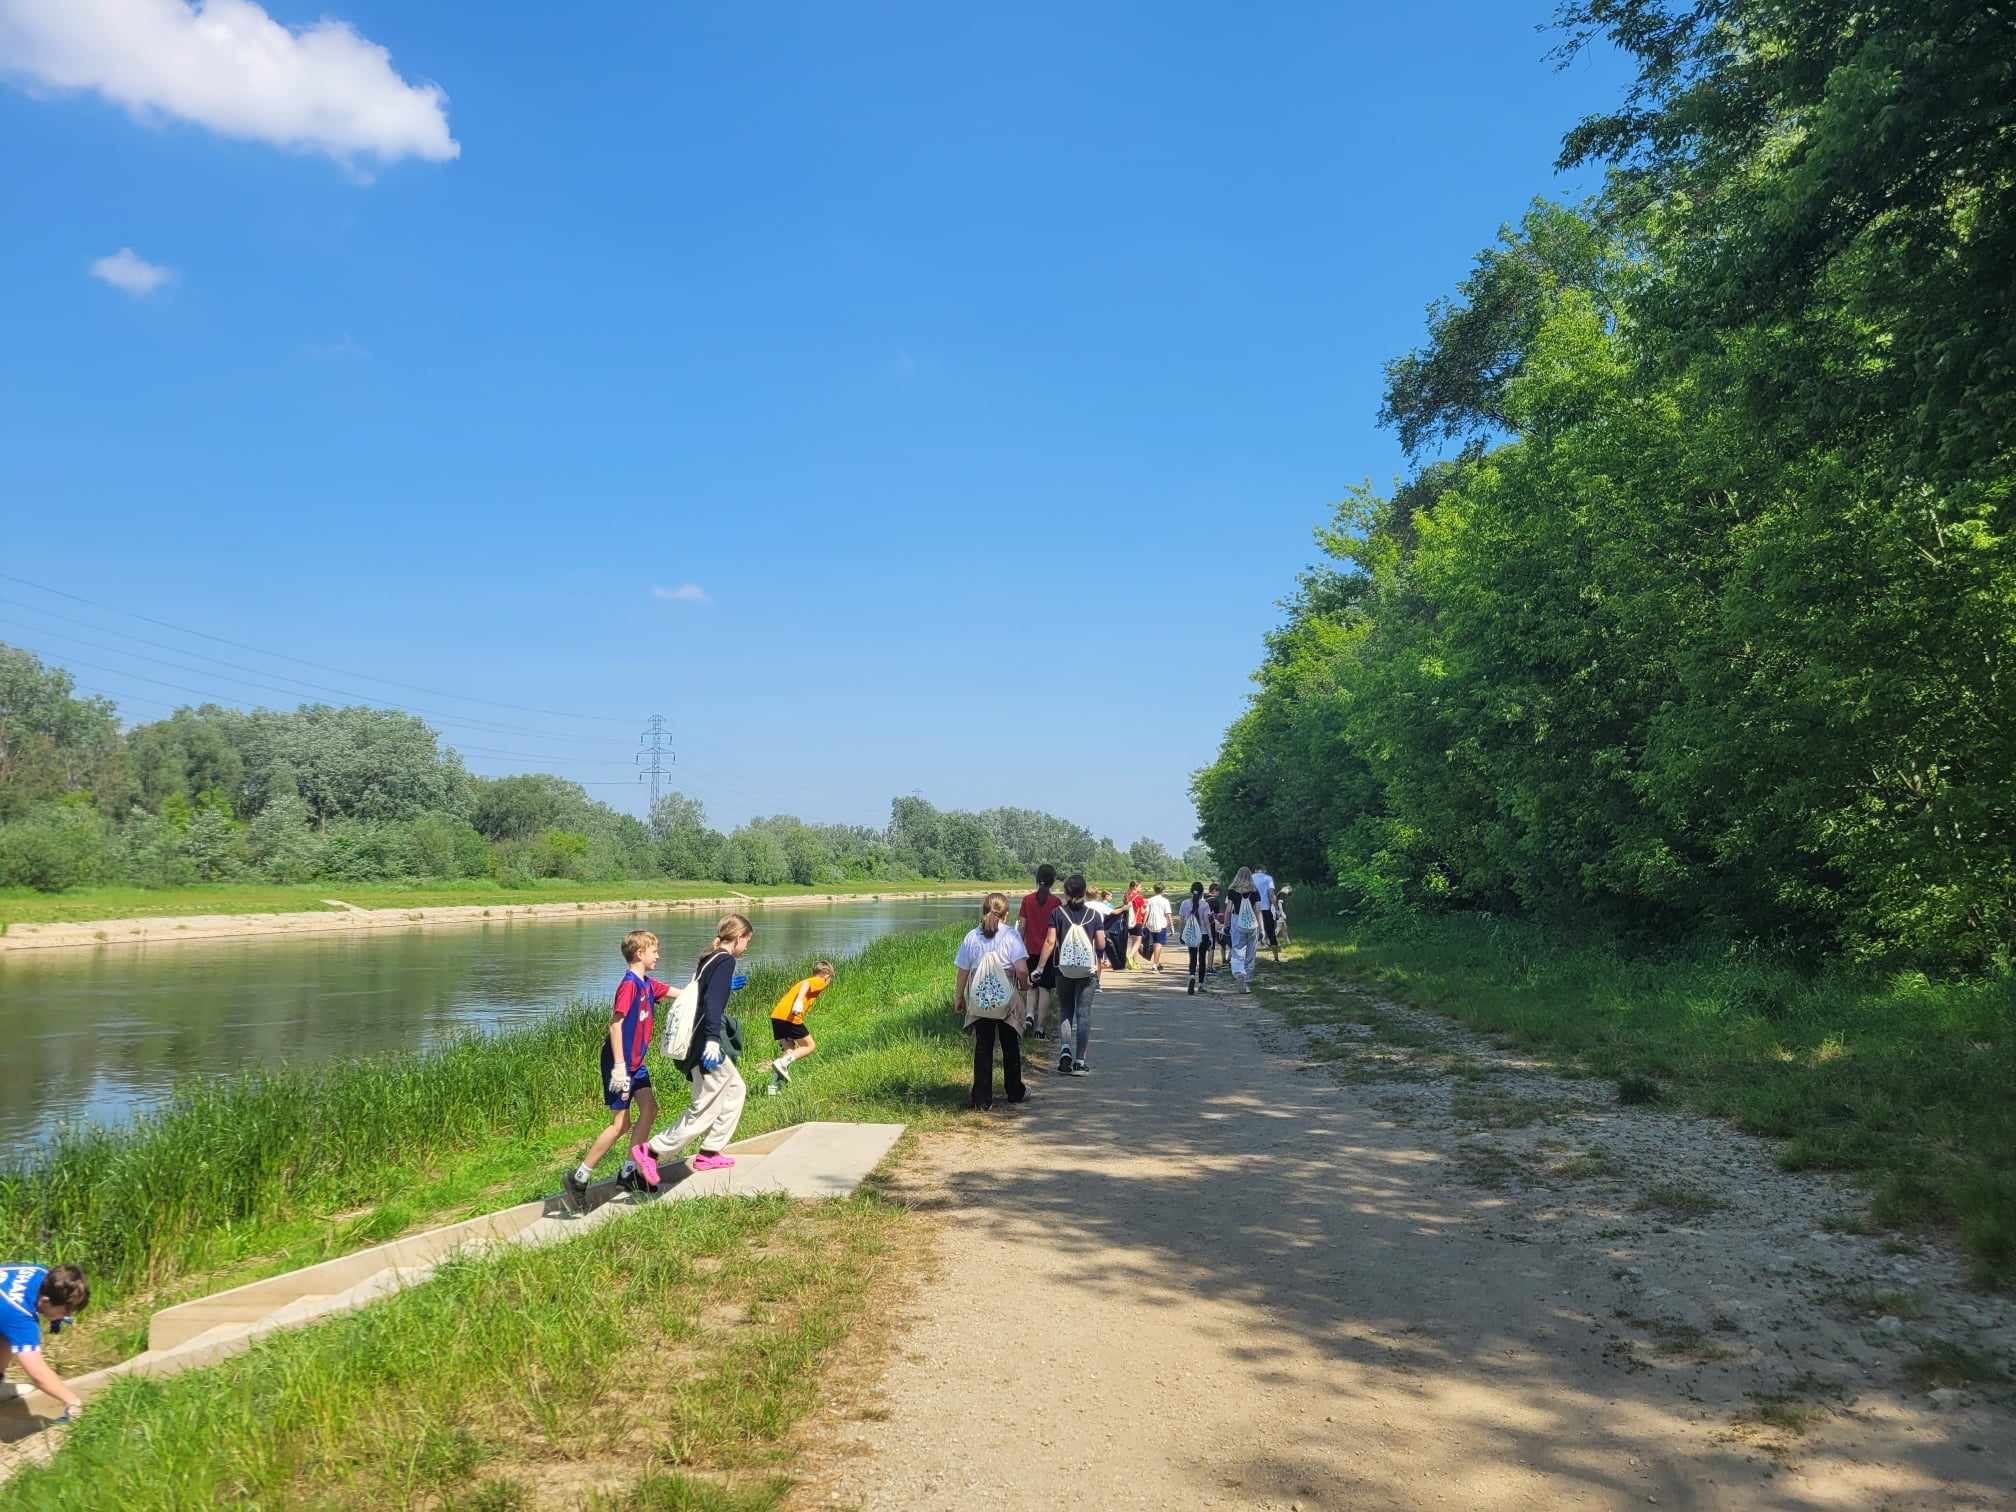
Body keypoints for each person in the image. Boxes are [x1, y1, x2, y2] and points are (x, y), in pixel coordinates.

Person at [566, 930, 672, 1208]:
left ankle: (627, 1172)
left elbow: (679, 993)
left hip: (637, 1065)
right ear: (639, 953)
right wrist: (620, 1067)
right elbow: (615, 1024)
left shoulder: (648, 985)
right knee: (620, 1124)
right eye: (654, 950)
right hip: (620, 1064)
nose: (658, 955)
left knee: (650, 1109)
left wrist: (711, 984)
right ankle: (580, 1176)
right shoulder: (629, 985)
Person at [646, 914, 754, 1176]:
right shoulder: (726, 960)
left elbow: (704, 992)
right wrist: (714, 1041)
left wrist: (726, 985)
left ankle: (709, 1153)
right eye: (747, 941)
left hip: (697, 1040)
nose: (747, 947)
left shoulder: (710, 957)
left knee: (736, 1088)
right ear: (738, 937)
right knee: (706, 1105)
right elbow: (712, 1004)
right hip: (704, 1043)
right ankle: (652, 1151)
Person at [954, 893, 1032, 1109]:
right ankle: (1015, 1091)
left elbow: (962, 971)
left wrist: (959, 997)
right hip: (1006, 998)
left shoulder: (972, 937)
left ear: (983, 911)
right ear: (1006, 915)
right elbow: (1022, 969)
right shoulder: (1011, 936)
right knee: (1010, 1044)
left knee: (983, 1046)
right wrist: (1024, 986)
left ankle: (981, 1098)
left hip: (980, 1000)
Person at [1031, 873, 1104, 1076]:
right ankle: (1080, 1062)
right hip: (1087, 972)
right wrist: (1100, 961)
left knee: (1066, 1011)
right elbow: (1100, 943)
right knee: (1083, 1014)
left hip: (1062, 970)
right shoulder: (1094, 916)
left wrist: (1039, 967)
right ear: (1084, 891)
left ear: (1065, 892)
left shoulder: (1057, 913)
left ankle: (1064, 1050)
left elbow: (1050, 942)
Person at [0, 1262, 89, 1422]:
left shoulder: (41, 1273)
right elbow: (37, 1374)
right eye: (64, 1312)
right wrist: (72, 1402)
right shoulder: (19, 1316)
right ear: (46, 1301)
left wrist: (56, 1319)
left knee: (7, 1333)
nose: (65, 1317)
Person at [767, 959, 835, 1095]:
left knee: (789, 1052)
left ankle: (773, 1089)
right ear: (826, 974)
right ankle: (781, 1064)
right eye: (830, 978)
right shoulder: (819, 980)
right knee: (810, 1046)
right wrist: (798, 1002)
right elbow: (806, 985)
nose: (828, 982)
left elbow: (804, 985)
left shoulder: (808, 980)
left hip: (777, 1017)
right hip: (791, 1018)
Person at [1018, 865, 1062, 1037]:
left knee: (1031, 986)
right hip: (1048, 953)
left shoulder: (1027, 900)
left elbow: (1021, 926)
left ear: (1037, 879)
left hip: (1029, 950)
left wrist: (1019, 946)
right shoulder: (1056, 903)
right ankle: (1040, 1029)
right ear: (1052, 881)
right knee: (1045, 989)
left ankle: (1029, 1015)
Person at [1224, 867, 1264, 991]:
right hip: (1252, 923)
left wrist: (1226, 924)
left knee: (1237, 950)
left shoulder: (1232, 891)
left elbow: (1229, 910)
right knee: (1251, 951)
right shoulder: (1255, 891)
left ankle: (1239, 973)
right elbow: (1258, 911)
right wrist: (1261, 929)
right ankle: (1248, 979)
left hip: (1237, 921)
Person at [1179, 881, 1213, 995]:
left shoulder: (1184, 903)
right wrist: (1211, 937)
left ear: (1191, 891)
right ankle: (1201, 984)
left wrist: (1181, 934)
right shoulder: (1205, 904)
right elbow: (1207, 923)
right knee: (1202, 959)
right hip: (1202, 934)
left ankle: (1192, 975)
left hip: (1191, 934)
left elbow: (1182, 921)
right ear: (1202, 892)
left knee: (1192, 957)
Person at [1141, 883, 1173, 971]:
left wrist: (1144, 924)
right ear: (1163, 890)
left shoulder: (1150, 900)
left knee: (1155, 943)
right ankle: (1155, 965)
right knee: (1158, 944)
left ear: (1154, 890)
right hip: (1160, 924)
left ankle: (1158, 963)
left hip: (1150, 924)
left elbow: (1147, 912)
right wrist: (1171, 926)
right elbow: (1168, 914)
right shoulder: (1165, 901)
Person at [1252, 863, 1280, 960]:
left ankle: (1250, 958)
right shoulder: (1268, 878)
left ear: (1255, 870)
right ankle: (1276, 957)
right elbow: (1271, 895)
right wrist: (1276, 909)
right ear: (1264, 870)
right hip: (1265, 909)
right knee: (1271, 932)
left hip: (1253, 910)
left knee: (1251, 934)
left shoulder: (1250, 878)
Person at [1203, 880, 1225, 972]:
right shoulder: (1215, 901)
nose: (1219, 893)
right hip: (1210, 926)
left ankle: (1203, 966)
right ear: (1214, 890)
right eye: (1218, 891)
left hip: (1201, 925)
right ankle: (1210, 967)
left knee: (1203, 947)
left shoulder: (1203, 899)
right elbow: (1216, 915)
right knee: (1211, 947)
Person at [1124, 880, 1146, 962]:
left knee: (1133, 942)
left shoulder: (1126, 895)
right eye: (1140, 886)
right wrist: (1148, 910)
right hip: (1137, 921)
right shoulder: (1139, 897)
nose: (1141, 888)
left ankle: (1134, 962)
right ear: (1135, 887)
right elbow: (1142, 911)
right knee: (1138, 941)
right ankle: (1129, 956)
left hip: (1129, 921)